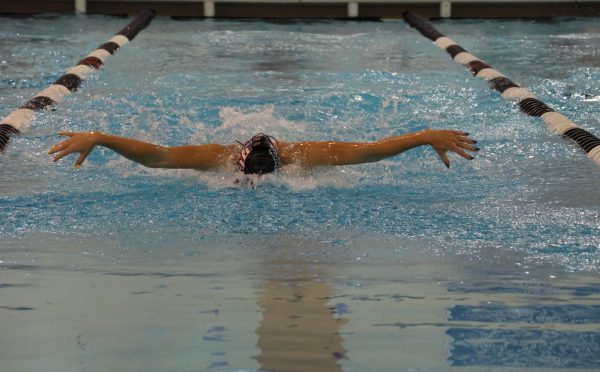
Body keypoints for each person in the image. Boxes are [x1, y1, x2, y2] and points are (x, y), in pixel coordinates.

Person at [48, 129, 478, 173]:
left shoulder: (306, 155)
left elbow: (367, 153)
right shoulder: (215, 156)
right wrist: (100, 137)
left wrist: (424, 135)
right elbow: (159, 157)